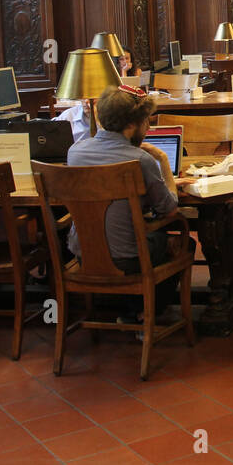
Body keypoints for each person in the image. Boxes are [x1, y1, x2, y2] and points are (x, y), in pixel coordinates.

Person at [65, 85, 195, 323]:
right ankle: (145, 312)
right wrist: (163, 162)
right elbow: (169, 209)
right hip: (128, 258)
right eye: (146, 122)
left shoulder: (75, 152)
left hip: (84, 253)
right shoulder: (141, 159)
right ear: (132, 125)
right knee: (184, 243)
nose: (148, 128)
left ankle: (125, 309)